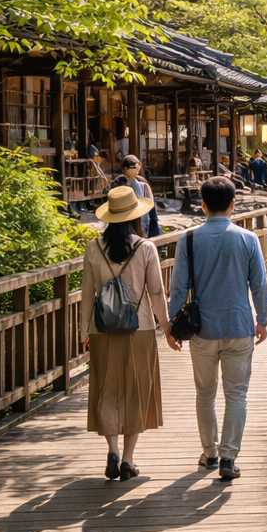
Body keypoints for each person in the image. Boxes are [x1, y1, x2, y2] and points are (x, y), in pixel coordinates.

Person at [167, 177, 267, 482]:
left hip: (202, 330)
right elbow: (259, 285)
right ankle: (228, 458)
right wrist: (262, 320)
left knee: (205, 393)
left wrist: (172, 325)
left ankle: (209, 453)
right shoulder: (248, 238)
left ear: (203, 205)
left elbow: (178, 288)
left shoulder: (188, 240)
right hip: (239, 326)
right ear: (233, 204)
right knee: (236, 394)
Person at [83, 186, 178, 482]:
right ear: (136, 216)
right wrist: (167, 328)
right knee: (137, 390)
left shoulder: (93, 247)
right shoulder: (146, 248)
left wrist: (84, 331)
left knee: (107, 389)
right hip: (141, 328)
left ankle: (112, 450)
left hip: (102, 328)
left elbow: (87, 294)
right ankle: (128, 460)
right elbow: (157, 292)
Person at [113, 155, 161, 236]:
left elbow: (151, 205)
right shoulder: (118, 181)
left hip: (141, 217)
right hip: (122, 217)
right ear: (125, 169)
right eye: (131, 168)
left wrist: (153, 223)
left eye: (136, 168)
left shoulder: (143, 183)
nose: (135, 170)